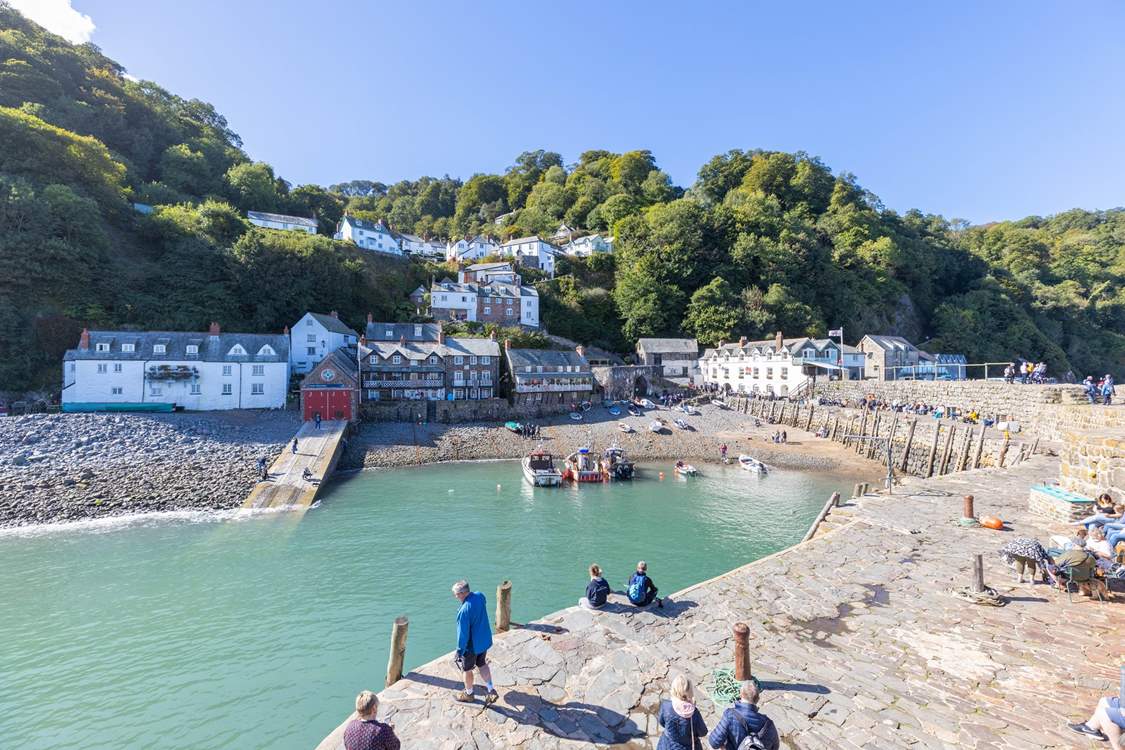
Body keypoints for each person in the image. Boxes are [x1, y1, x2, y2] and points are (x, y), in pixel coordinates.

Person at [451, 580, 498, 704]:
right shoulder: (480, 595)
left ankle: (469, 694)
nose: (455, 596)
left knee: (467, 670)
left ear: (462, 593)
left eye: (456, 594)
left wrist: (459, 651)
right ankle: (490, 689)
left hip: (471, 646)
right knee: (482, 663)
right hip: (484, 640)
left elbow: (463, 635)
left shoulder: (463, 611)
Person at [707, 680, 779, 750]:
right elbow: (775, 747)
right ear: (757, 699)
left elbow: (714, 742)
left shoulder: (730, 715)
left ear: (740, 695)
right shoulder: (768, 724)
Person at [657, 674, 708, 750]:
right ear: (690, 690)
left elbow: (661, 722)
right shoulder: (694, 713)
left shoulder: (666, 706)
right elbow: (703, 732)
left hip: (668, 745)